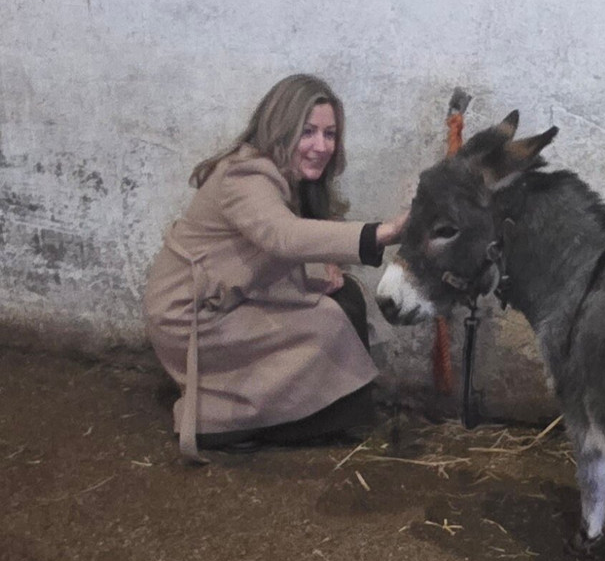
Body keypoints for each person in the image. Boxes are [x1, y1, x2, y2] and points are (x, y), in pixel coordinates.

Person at [143, 74, 408, 461]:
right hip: (191, 314)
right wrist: (384, 233)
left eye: (330, 134)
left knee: (345, 299)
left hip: (226, 295)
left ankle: (306, 416)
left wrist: (322, 265)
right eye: (308, 132)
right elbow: (282, 237)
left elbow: (272, 246)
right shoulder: (245, 175)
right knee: (328, 321)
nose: (322, 146)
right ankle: (217, 422)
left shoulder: (283, 174)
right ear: (280, 129)